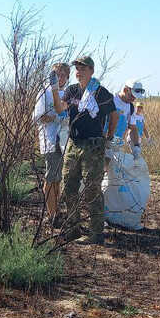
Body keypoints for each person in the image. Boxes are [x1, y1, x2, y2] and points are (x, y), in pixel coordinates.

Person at [51, 56, 118, 246]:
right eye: (77, 68)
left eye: (83, 68)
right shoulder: (72, 90)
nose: (79, 72)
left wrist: (108, 137)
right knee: (69, 186)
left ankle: (96, 233)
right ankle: (73, 229)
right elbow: (59, 109)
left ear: (92, 71)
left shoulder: (101, 93)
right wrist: (55, 89)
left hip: (93, 145)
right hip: (74, 143)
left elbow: (114, 117)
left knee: (92, 189)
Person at [32, 62, 71, 226]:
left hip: (66, 140)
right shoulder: (45, 93)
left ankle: (56, 213)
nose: (60, 78)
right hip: (51, 138)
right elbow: (37, 117)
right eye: (57, 75)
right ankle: (52, 216)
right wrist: (56, 117)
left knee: (57, 179)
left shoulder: (69, 93)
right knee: (50, 178)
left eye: (63, 75)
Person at [105, 79, 146, 167]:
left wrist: (136, 146)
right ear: (125, 90)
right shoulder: (110, 100)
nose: (133, 99)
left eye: (135, 97)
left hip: (117, 147)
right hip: (103, 145)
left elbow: (133, 127)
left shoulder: (130, 107)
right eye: (131, 96)